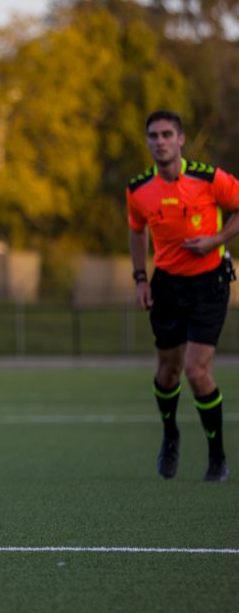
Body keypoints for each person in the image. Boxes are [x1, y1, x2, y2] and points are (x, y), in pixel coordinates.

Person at [127, 110, 239, 482]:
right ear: (147, 142)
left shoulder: (209, 179)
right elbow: (137, 231)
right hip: (167, 286)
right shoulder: (138, 189)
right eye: (153, 136)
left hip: (209, 284)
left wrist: (216, 240)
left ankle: (217, 456)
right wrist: (141, 278)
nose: (160, 141)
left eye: (166, 134)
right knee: (168, 371)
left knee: (196, 370)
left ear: (181, 139)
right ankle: (171, 434)